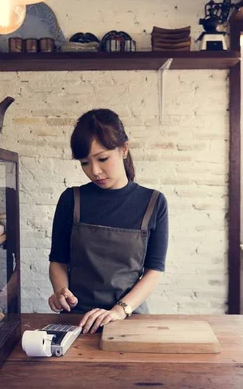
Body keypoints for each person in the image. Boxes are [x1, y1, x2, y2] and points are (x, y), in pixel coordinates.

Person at [47, 109, 169, 334]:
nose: (94, 171)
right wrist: (61, 290)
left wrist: (119, 310)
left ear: (124, 149)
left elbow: (154, 270)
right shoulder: (71, 200)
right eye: (84, 163)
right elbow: (58, 260)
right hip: (77, 321)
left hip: (128, 320)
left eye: (102, 159)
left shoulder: (153, 202)